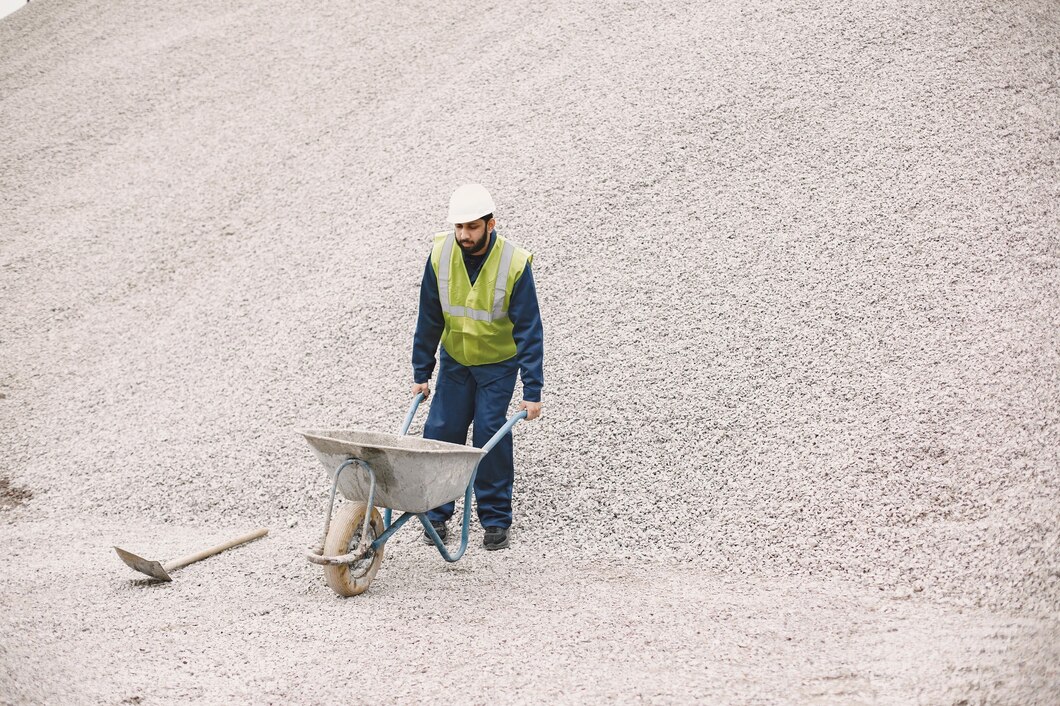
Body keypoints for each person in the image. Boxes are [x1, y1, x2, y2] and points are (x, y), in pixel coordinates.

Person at [411, 184, 544, 551]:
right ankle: (436, 513)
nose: (463, 236)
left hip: (498, 365)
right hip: (456, 361)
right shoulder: (440, 255)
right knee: (440, 430)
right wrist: (421, 372)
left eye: (471, 227)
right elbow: (429, 316)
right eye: (459, 228)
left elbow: (530, 330)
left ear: (490, 224)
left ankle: (496, 518)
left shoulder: (513, 264)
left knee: (489, 434)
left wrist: (532, 391)